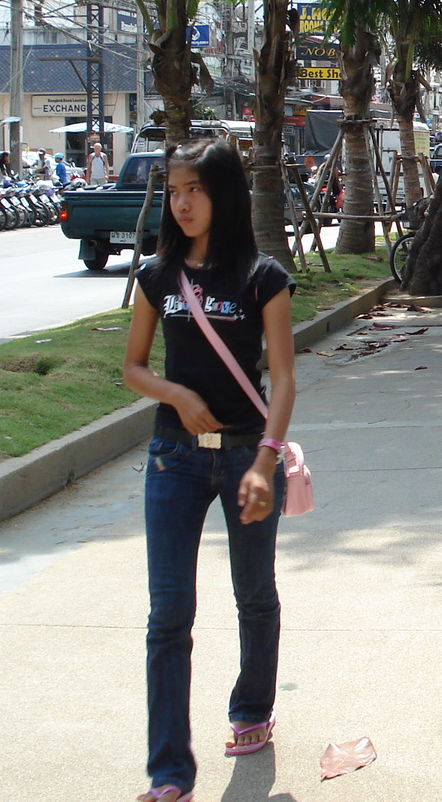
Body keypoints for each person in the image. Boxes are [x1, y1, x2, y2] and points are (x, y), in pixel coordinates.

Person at [123, 138, 297, 802]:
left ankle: (252, 707)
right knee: (168, 614)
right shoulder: (157, 276)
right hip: (172, 460)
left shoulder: (262, 278)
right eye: (173, 191)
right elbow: (134, 366)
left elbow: (283, 382)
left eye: (193, 188)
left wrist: (263, 462)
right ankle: (170, 775)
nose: (182, 202)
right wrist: (177, 395)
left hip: (246, 457)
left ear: (223, 193)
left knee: (253, 594)